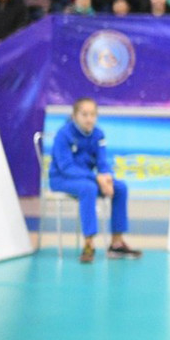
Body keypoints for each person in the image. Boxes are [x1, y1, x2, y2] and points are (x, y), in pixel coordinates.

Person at [49, 97, 142, 264]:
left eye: (92, 114)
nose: (89, 119)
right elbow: (66, 167)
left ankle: (116, 243)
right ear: (75, 116)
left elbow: (102, 162)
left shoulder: (98, 134)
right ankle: (89, 244)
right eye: (84, 114)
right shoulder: (63, 134)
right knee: (88, 188)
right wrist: (96, 178)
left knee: (120, 188)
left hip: (88, 179)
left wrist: (107, 177)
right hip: (62, 179)